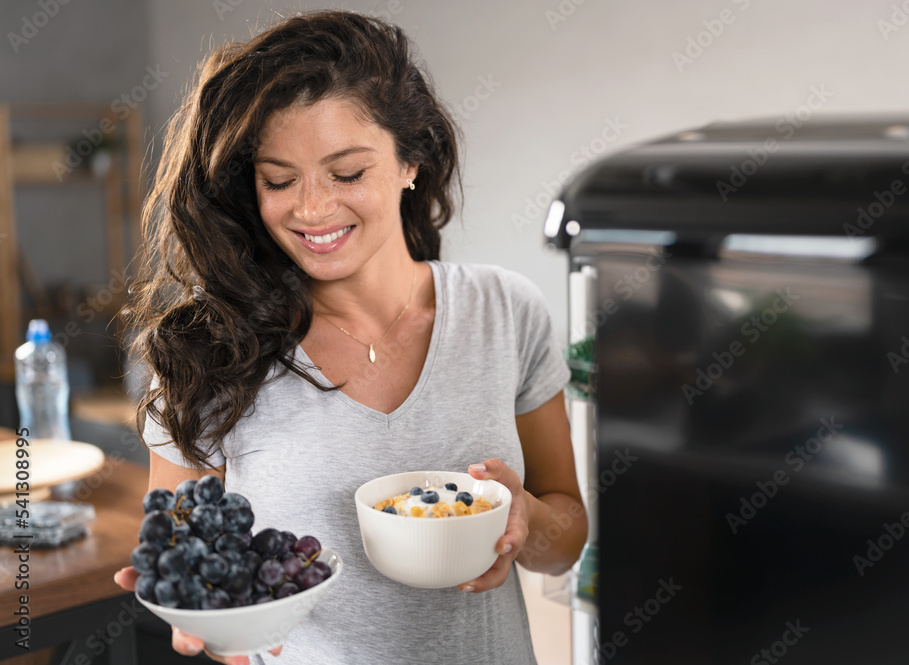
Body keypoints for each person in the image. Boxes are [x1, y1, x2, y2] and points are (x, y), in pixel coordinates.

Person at [112, 9, 587, 665]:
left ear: (409, 162)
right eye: (279, 179)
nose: (311, 208)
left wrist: (528, 518)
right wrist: (208, 618)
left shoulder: (506, 313)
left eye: (347, 173)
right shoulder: (209, 350)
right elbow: (182, 554)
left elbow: (566, 535)